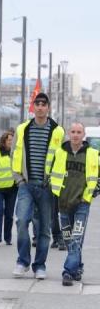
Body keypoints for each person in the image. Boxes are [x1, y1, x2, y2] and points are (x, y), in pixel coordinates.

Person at [11, 91, 64, 279]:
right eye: (37, 104)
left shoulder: (58, 131)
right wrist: (18, 179)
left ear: (48, 108)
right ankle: (23, 261)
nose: (40, 107)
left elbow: (62, 159)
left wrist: (55, 182)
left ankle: (40, 265)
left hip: (46, 187)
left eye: (44, 104)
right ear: (33, 107)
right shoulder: (22, 129)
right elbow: (14, 155)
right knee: (21, 221)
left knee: (44, 229)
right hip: (26, 185)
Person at [50, 122, 98, 286]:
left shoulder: (92, 154)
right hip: (63, 203)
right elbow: (52, 174)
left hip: (82, 203)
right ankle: (78, 267)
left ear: (83, 135)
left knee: (76, 238)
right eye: (73, 132)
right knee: (69, 238)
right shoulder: (60, 152)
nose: (76, 135)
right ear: (68, 134)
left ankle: (68, 272)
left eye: (79, 132)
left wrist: (91, 194)